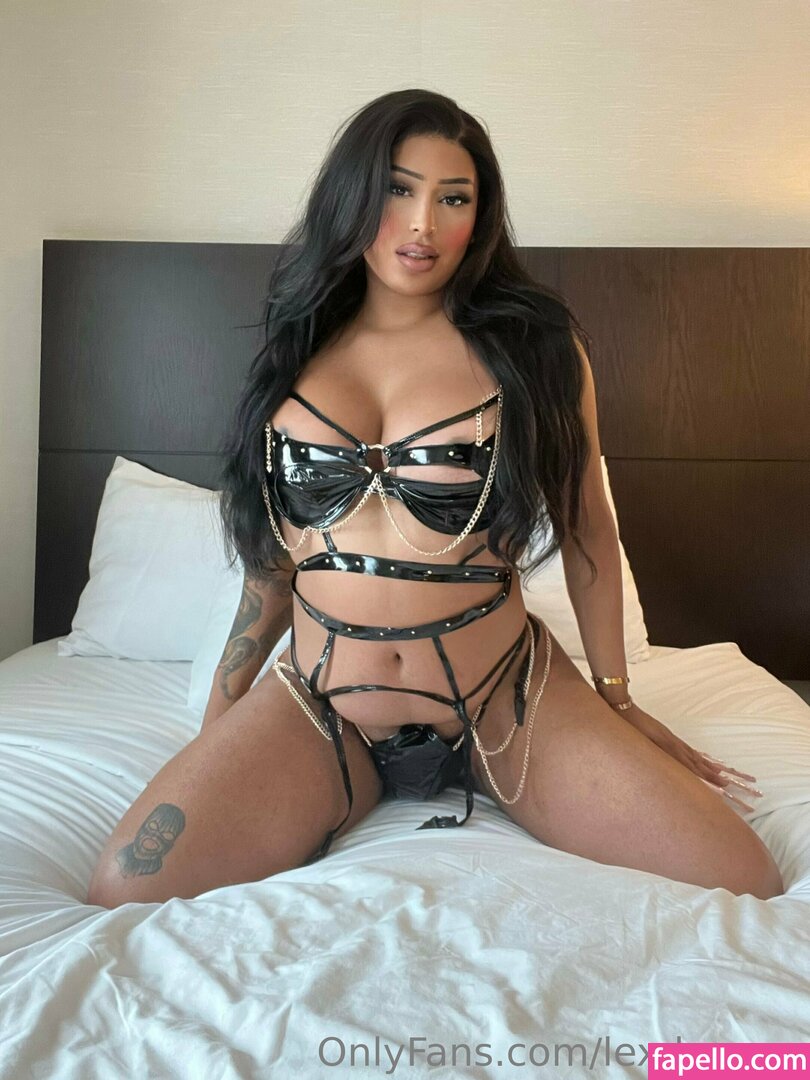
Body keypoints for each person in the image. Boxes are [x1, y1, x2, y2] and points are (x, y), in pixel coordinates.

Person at [86, 89, 782, 907]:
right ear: (353, 194)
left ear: (479, 218)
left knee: (742, 874)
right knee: (126, 884)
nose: (422, 224)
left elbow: (588, 530)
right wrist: (223, 711)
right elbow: (274, 557)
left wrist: (617, 696)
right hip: (328, 705)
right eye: (398, 189)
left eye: (453, 199)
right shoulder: (296, 346)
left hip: (505, 699)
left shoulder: (537, 349)